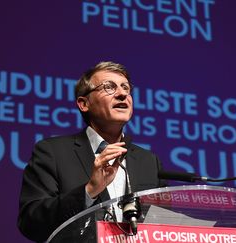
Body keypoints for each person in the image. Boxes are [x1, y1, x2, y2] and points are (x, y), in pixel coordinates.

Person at [17, 61, 164, 242]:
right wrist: (89, 191)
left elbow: (163, 223)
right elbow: (31, 222)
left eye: (126, 88)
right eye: (109, 87)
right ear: (84, 104)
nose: (122, 94)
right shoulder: (52, 152)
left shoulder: (148, 161)